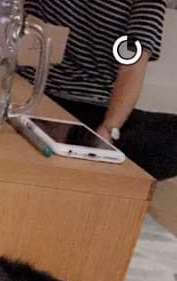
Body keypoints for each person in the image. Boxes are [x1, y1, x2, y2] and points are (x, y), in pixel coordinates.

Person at [22, 0, 177, 181]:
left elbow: (131, 66)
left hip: (94, 111)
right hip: (36, 94)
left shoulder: (145, 4)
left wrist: (108, 129)